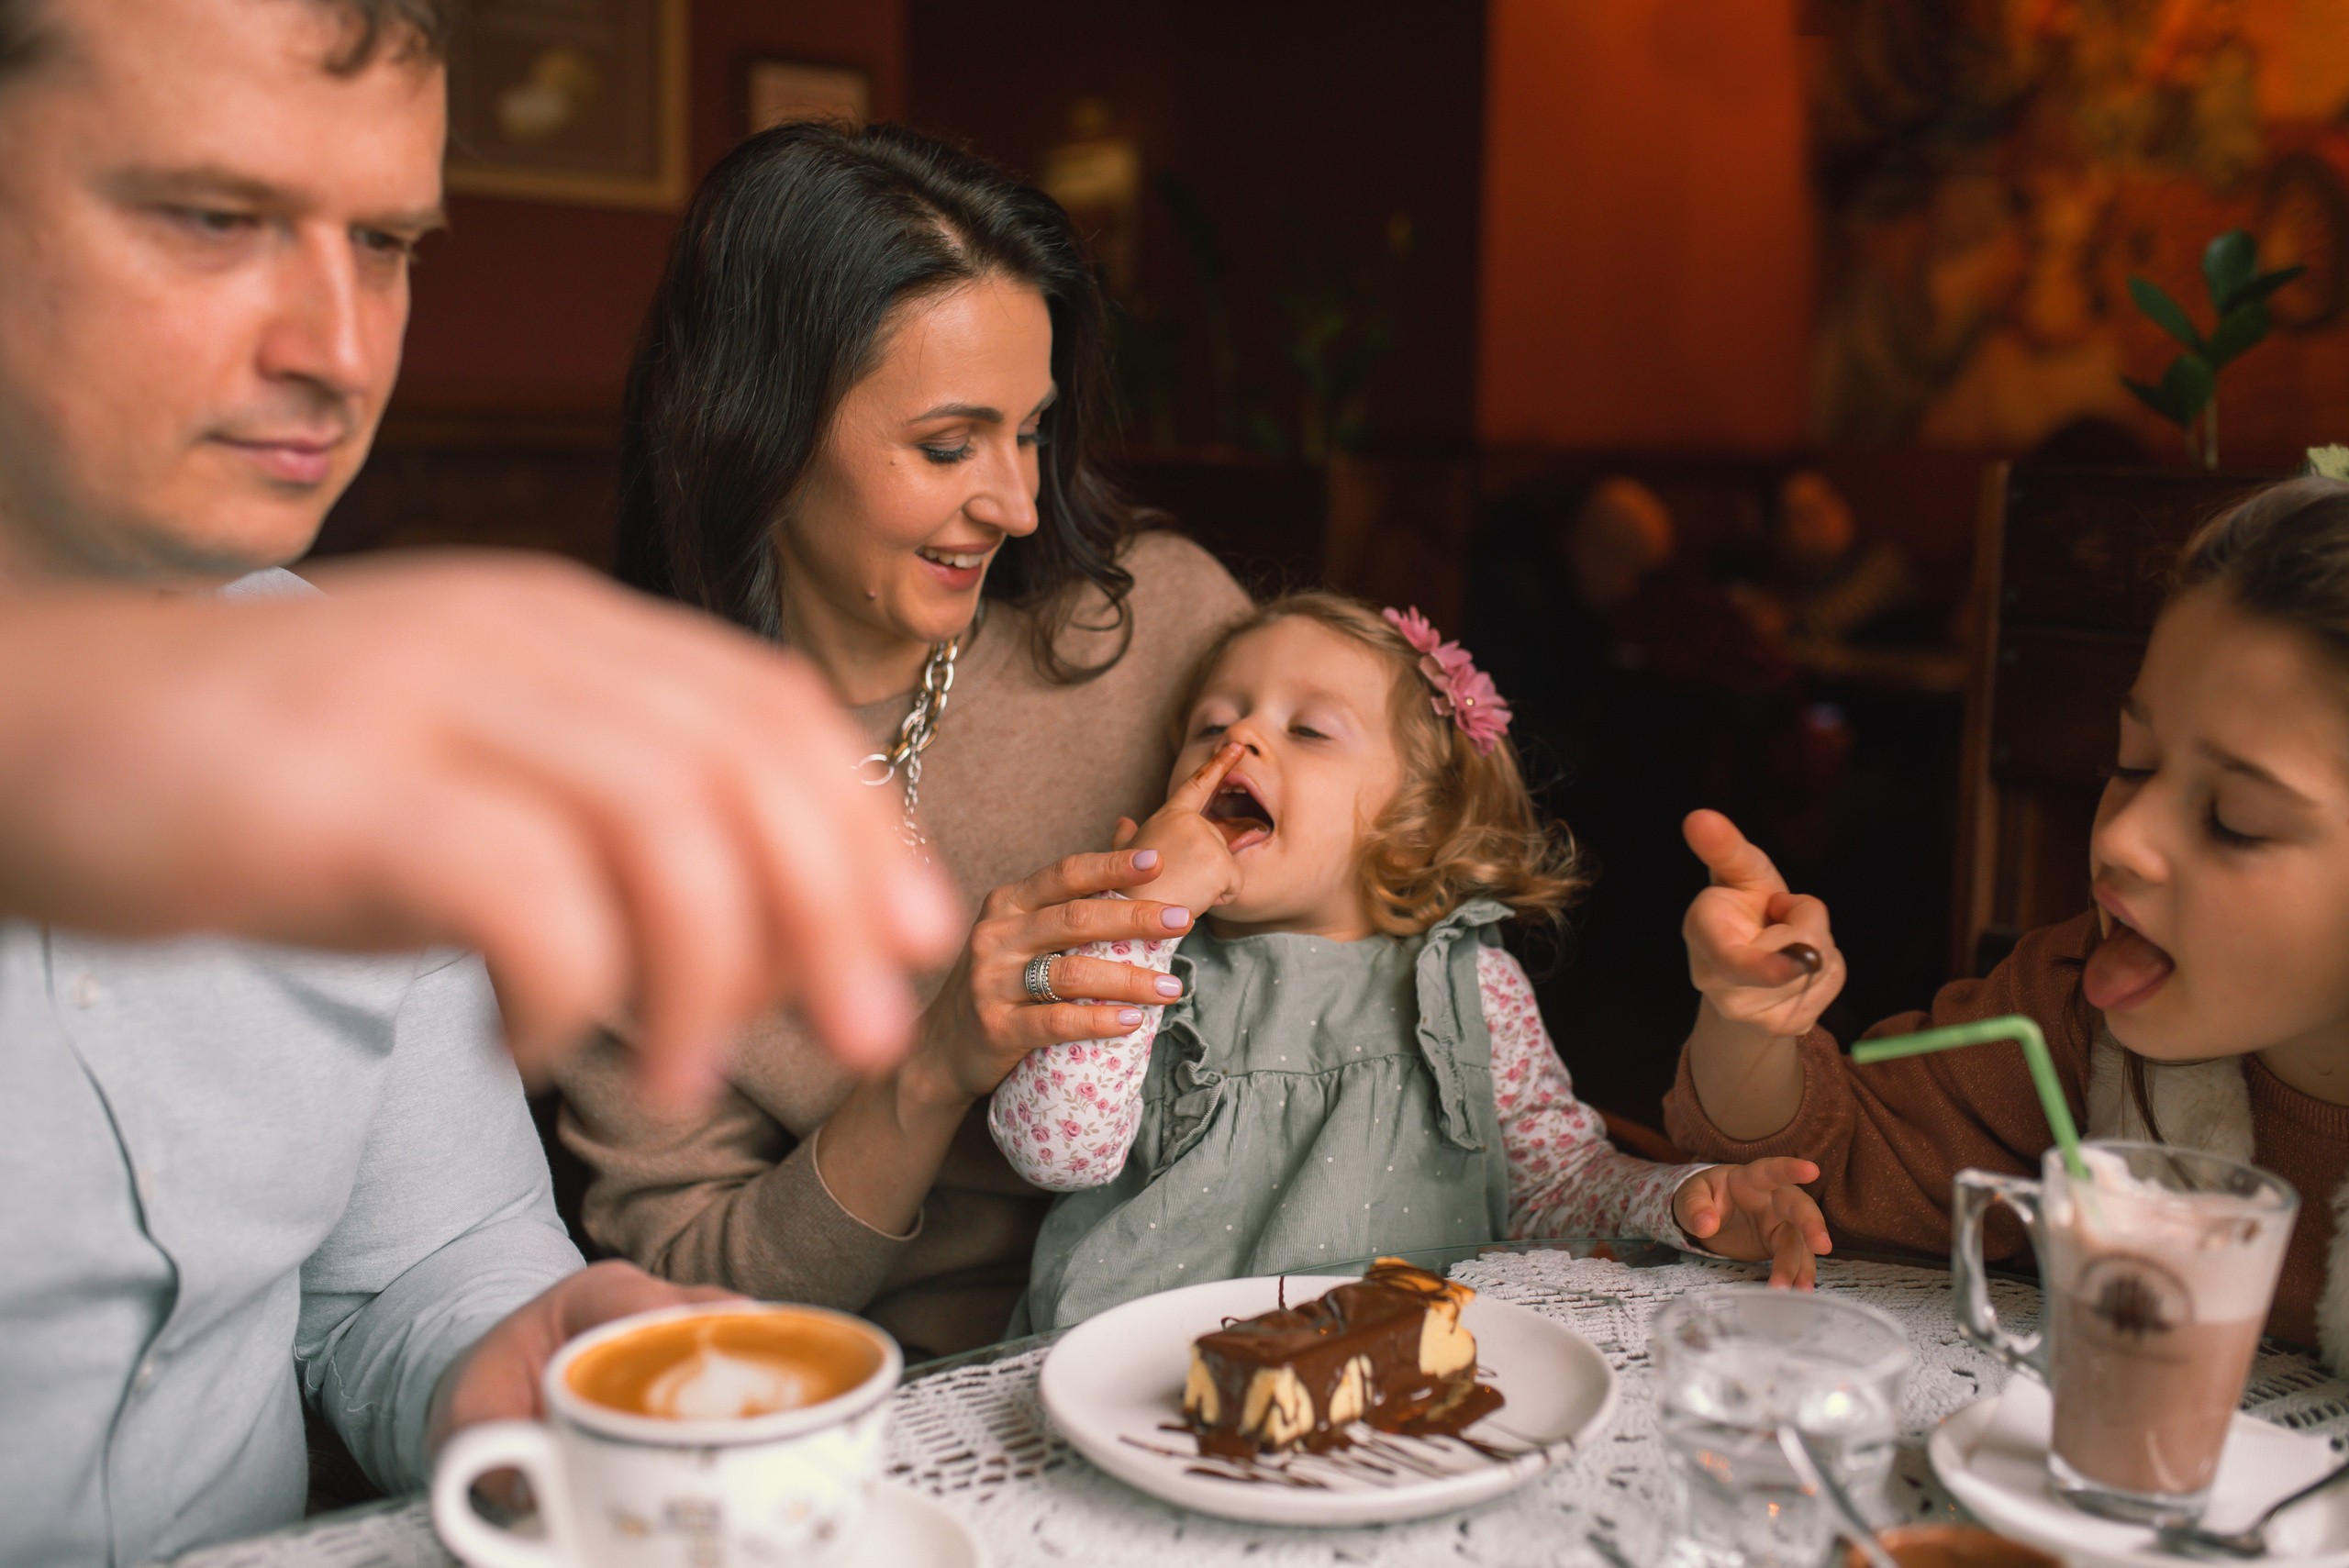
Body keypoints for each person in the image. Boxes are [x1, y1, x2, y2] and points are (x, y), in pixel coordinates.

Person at [0, 2, 953, 1562]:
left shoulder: (352, 696)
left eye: (384, 242)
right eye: (211, 217)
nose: (340, 347)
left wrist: (510, 1344)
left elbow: (412, 1259)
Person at [558, 121, 1249, 1358]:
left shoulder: (1169, 633)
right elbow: (697, 1293)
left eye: (1031, 429)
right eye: (947, 445)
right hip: (917, 1409)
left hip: (1231, 1325)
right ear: (754, 428)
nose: (1017, 502)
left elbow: (1415, 947)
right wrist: (934, 1063)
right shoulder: (627, 810)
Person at [989, 594, 1831, 1330]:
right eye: (1211, 724)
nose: (1240, 735)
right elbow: (1053, 1152)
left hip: (1396, 1390)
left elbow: (1548, 1183)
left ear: (1415, 819)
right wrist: (1141, 919)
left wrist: (1679, 1199)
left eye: (1309, 728)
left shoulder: (1470, 984)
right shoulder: (1132, 951)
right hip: (1133, 1383)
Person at [1664, 477, 2349, 1362]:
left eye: (2234, 817)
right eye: (2133, 762)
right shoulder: (2077, 1017)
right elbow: (1812, 1185)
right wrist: (1748, 1023)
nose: (2126, 836)